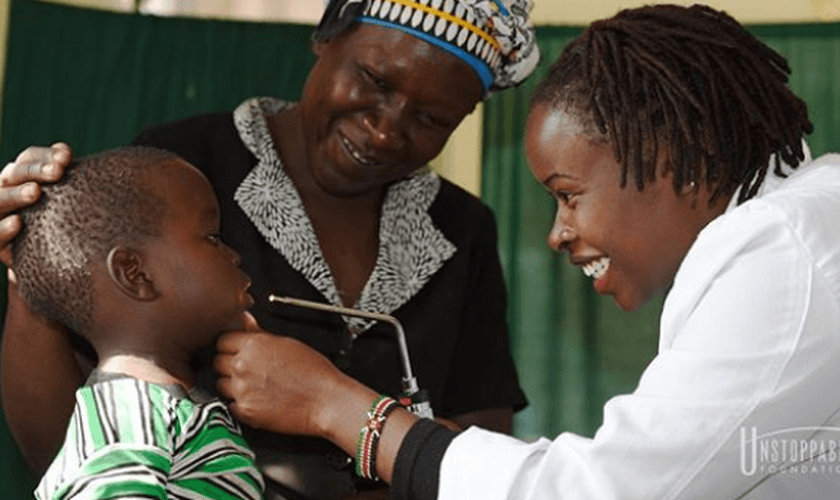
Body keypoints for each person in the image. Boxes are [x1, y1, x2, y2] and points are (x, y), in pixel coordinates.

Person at [203, 4, 840, 499]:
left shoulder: (780, 251)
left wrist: (334, 406)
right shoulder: (803, 228)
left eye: (568, 195)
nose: (556, 233)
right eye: (374, 78)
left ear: (673, 162)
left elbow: (605, 490)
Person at [0, 1, 540, 498]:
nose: (384, 132)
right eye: (374, 79)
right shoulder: (176, 172)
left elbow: (474, 461)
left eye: (431, 119)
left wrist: (338, 407)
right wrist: (29, 268)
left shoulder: (462, 230)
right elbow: (69, 452)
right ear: (325, 38)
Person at [11, 146, 264, 499]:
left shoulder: (161, 410)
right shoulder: (128, 416)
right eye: (213, 238)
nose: (234, 256)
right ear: (135, 273)